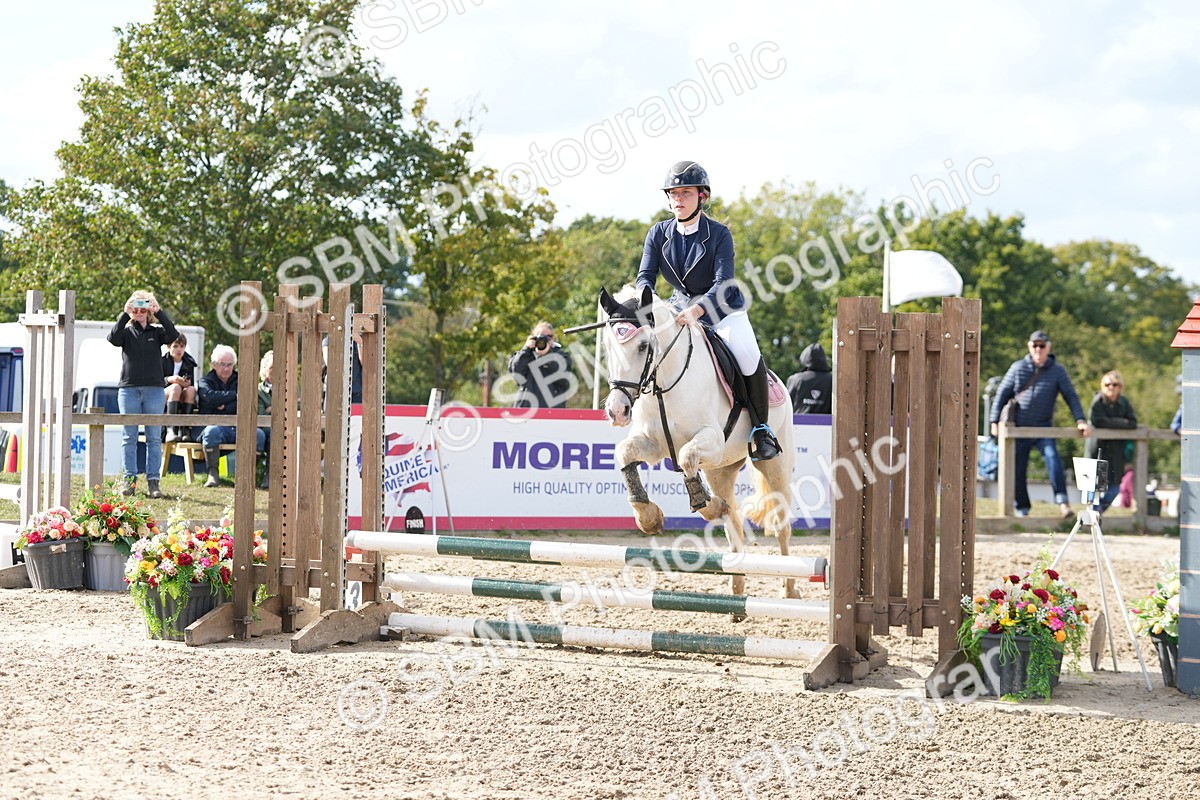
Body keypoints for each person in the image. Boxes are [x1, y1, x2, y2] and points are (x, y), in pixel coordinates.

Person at [634, 160, 779, 460]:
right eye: (673, 193)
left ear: (702, 196)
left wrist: (697, 311)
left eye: (685, 193)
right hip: (677, 306)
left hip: (723, 309)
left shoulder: (719, 235)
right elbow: (645, 276)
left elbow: (723, 282)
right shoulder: (658, 234)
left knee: (749, 355)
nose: (677, 199)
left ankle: (761, 430)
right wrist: (643, 301)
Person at [989, 330, 1089, 518]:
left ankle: (1063, 503)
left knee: (1053, 459)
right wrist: (994, 421)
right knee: (1018, 468)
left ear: (1048, 347)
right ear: (1029, 346)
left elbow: (1071, 396)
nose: (1038, 349)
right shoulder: (1018, 367)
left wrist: (1080, 420)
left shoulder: (1057, 371)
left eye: (1042, 345)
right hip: (1019, 428)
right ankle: (1022, 509)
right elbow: (1002, 394)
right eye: (1035, 345)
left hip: (1043, 427)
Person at [107, 290, 178, 498]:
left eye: (143, 307)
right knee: (129, 436)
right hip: (129, 389)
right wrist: (124, 313)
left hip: (155, 390)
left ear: (149, 310)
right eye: (136, 307)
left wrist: (160, 311)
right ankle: (129, 482)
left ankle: (153, 482)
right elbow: (113, 338)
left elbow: (173, 335)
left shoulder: (156, 333)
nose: (139, 311)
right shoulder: (127, 332)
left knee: (154, 438)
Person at [197, 345, 265, 488]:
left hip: (238, 425)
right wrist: (235, 396)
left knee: (258, 434)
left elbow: (247, 400)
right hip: (216, 426)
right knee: (211, 431)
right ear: (214, 364)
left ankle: (247, 476)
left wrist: (224, 405)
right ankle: (213, 474)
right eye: (222, 364)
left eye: (230, 365)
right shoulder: (205, 381)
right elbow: (209, 398)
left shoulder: (241, 380)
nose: (226, 368)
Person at [1085, 370, 1138, 513]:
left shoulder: (1124, 402)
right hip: (1098, 449)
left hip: (1116, 451)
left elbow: (1133, 423)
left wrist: (1111, 423)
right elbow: (1099, 421)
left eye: (1115, 384)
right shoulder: (1098, 401)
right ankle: (1092, 514)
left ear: (1120, 387)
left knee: (1115, 486)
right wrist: (1122, 423)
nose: (1111, 387)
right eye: (1107, 384)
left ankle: (1097, 512)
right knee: (1094, 485)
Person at [508, 321, 575, 409]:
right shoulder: (524, 355)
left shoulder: (561, 356)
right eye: (540, 337)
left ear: (554, 338)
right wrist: (526, 349)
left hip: (552, 412)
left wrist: (547, 354)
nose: (544, 340)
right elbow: (515, 371)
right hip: (526, 411)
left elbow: (563, 375)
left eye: (549, 337)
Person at [162, 334, 199, 443]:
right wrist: (170, 379)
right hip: (163, 394)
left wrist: (186, 383)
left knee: (191, 390)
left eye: (182, 346)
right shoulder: (162, 361)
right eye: (175, 346)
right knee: (175, 388)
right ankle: (171, 429)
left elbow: (191, 383)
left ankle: (185, 430)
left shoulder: (189, 362)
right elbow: (155, 382)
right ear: (169, 347)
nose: (179, 349)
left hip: (181, 395)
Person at [786, 342, 833, 415]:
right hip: (828, 425)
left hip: (798, 424)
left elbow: (787, 406)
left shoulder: (795, 379)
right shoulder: (833, 380)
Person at [256, 350, 273, 490]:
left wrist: (271, 409)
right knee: (271, 434)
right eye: (272, 367)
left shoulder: (291, 388)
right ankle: (268, 475)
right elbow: (261, 413)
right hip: (263, 428)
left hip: (285, 427)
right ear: (265, 370)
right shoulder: (259, 390)